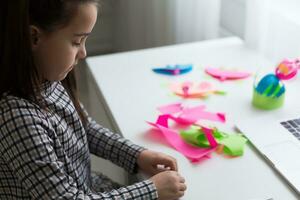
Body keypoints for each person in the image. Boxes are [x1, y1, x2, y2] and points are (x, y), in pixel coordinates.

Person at [0, 0, 187, 199]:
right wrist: (151, 190)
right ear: (33, 37)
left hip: (86, 187)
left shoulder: (48, 78)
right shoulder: (17, 119)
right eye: (76, 41)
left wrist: (136, 155)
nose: (83, 52)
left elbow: (85, 128)